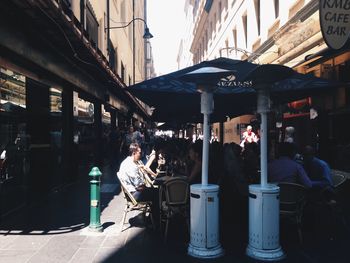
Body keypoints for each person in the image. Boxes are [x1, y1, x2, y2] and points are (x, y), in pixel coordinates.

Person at [117, 143, 158, 220]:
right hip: (133, 194)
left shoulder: (129, 161)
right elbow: (139, 186)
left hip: (132, 192)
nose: (141, 154)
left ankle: (153, 218)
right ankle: (155, 219)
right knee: (157, 193)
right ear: (134, 153)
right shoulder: (130, 165)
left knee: (155, 191)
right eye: (139, 153)